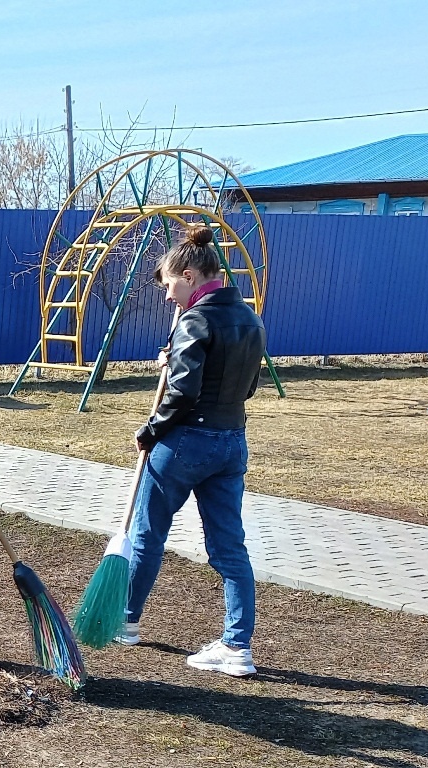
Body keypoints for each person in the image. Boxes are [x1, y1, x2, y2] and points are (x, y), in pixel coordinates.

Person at [119, 225, 266, 677]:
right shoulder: (249, 318)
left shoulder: (195, 319)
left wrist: (150, 429)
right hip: (232, 442)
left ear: (189, 275)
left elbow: (182, 395)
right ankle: (237, 645)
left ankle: (126, 622)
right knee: (229, 546)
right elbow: (249, 386)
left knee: (147, 533)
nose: (167, 296)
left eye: (168, 285)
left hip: (186, 442)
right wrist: (176, 357)